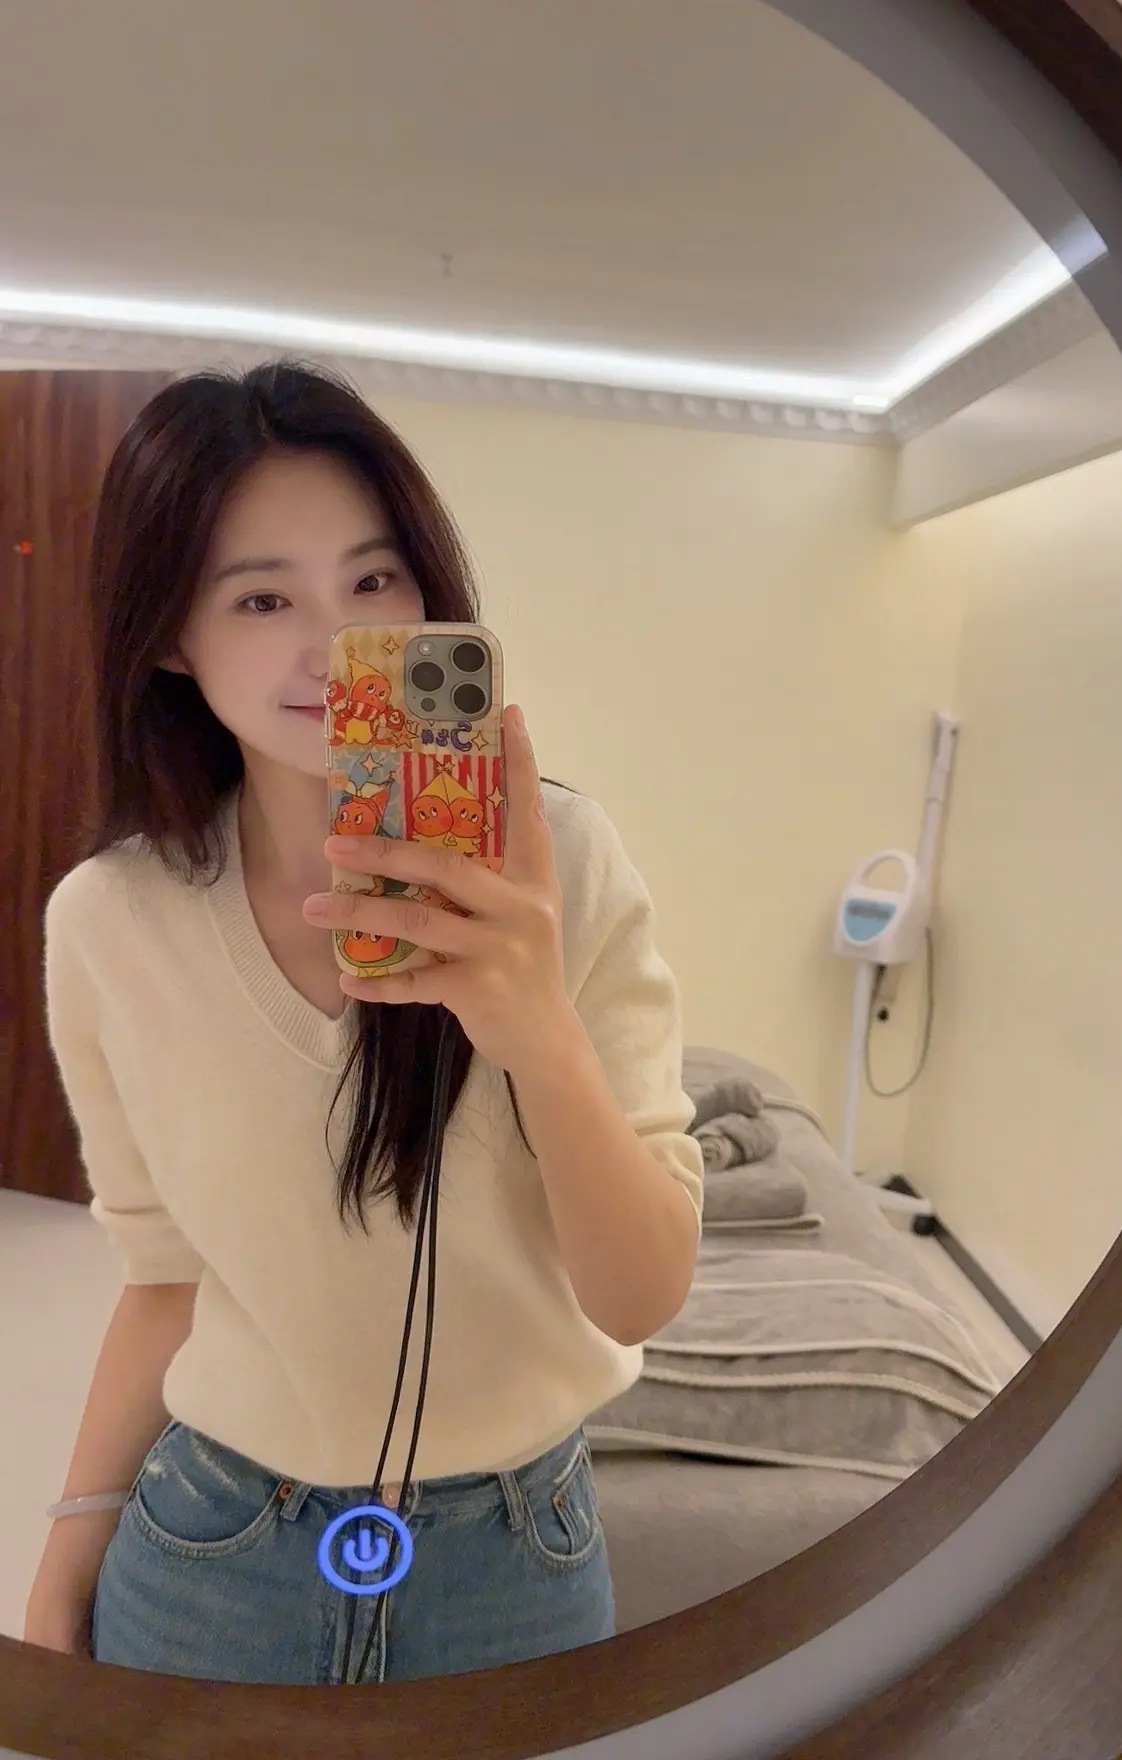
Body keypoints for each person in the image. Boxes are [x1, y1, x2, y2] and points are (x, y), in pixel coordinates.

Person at [21, 360, 703, 1686]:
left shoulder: (561, 862)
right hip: (212, 1548)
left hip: (515, 1561)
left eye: (374, 581)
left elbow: (640, 1296)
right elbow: (163, 1281)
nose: (334, 646)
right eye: (263, 597)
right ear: (170, 638)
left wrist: (534, 1027)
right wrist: (65, 1555)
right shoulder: (111, 921)